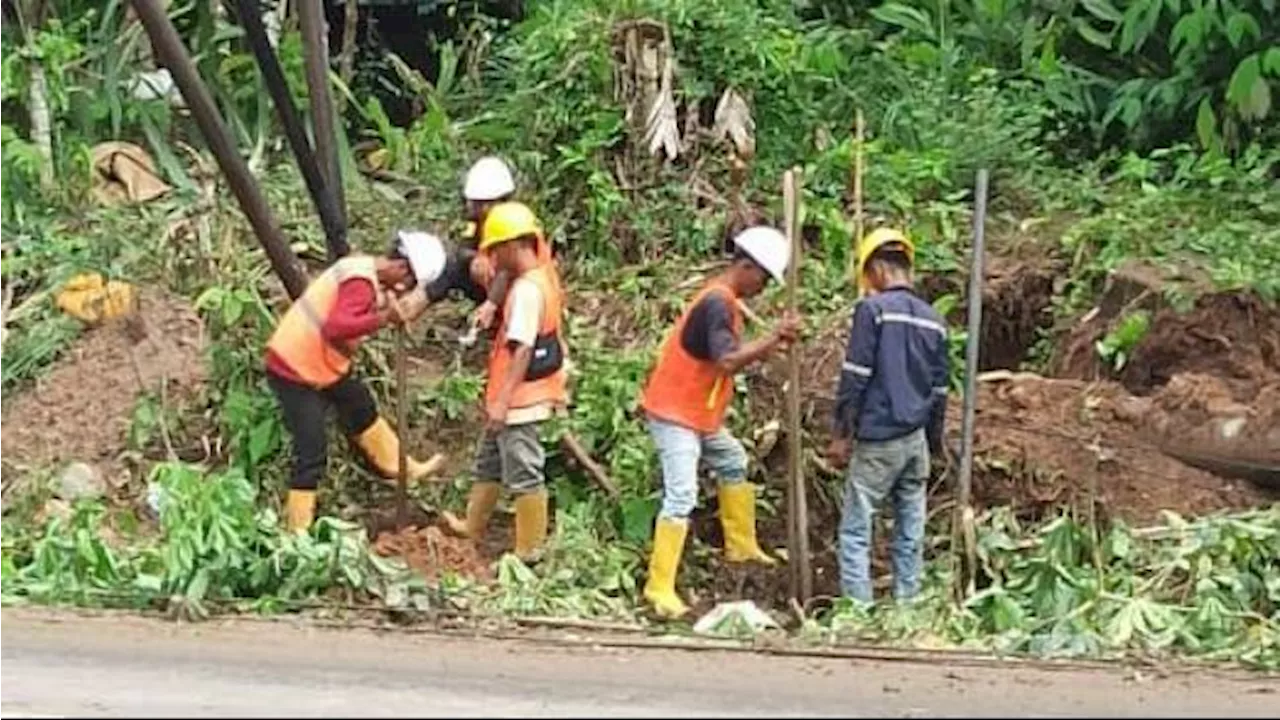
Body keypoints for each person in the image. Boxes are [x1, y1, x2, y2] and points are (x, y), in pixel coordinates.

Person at [637, 225, 800, 620]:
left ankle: (740, 544)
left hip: (697, 414)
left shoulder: (723, 301)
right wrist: (774, 339)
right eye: (762, 278)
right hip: (676, 413)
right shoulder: (716, 303)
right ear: (747, 266)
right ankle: (659, 586)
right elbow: (727, 360)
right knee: (681, 495)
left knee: (732, 461)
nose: (762, 287)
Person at [265, 231, 447, 533]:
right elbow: (337, 326)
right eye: (409, 282)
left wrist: (387, 307)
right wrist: (383, 318)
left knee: (359, 402)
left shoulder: (363, 269)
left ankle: (398, 465)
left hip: (320, 363)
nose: (404, 290)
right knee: (311, 448)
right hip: (294, 368)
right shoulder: (360, 283)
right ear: (402, 268)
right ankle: (296, 531)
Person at [825, 228, 949, 604]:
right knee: (910, 531)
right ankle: (906, 608)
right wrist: (934, 442)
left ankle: (857, 612)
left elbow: (856, 375)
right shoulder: (934, 321)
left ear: (877, 268)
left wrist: (842, 434)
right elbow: (940, 389)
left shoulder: (873, 310)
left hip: (879, 437)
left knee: (856, 530)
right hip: (915, 442)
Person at [440, 202, 569, 561]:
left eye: (497, 249)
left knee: (524, 471)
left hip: (520, 402)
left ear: (515, 245)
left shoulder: (528, 291)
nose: (493, 258)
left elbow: (522, 350)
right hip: (514, 396)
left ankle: (529, 551)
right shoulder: (542, 275)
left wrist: (502, 402)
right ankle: (472, 526)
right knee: (490, 462)